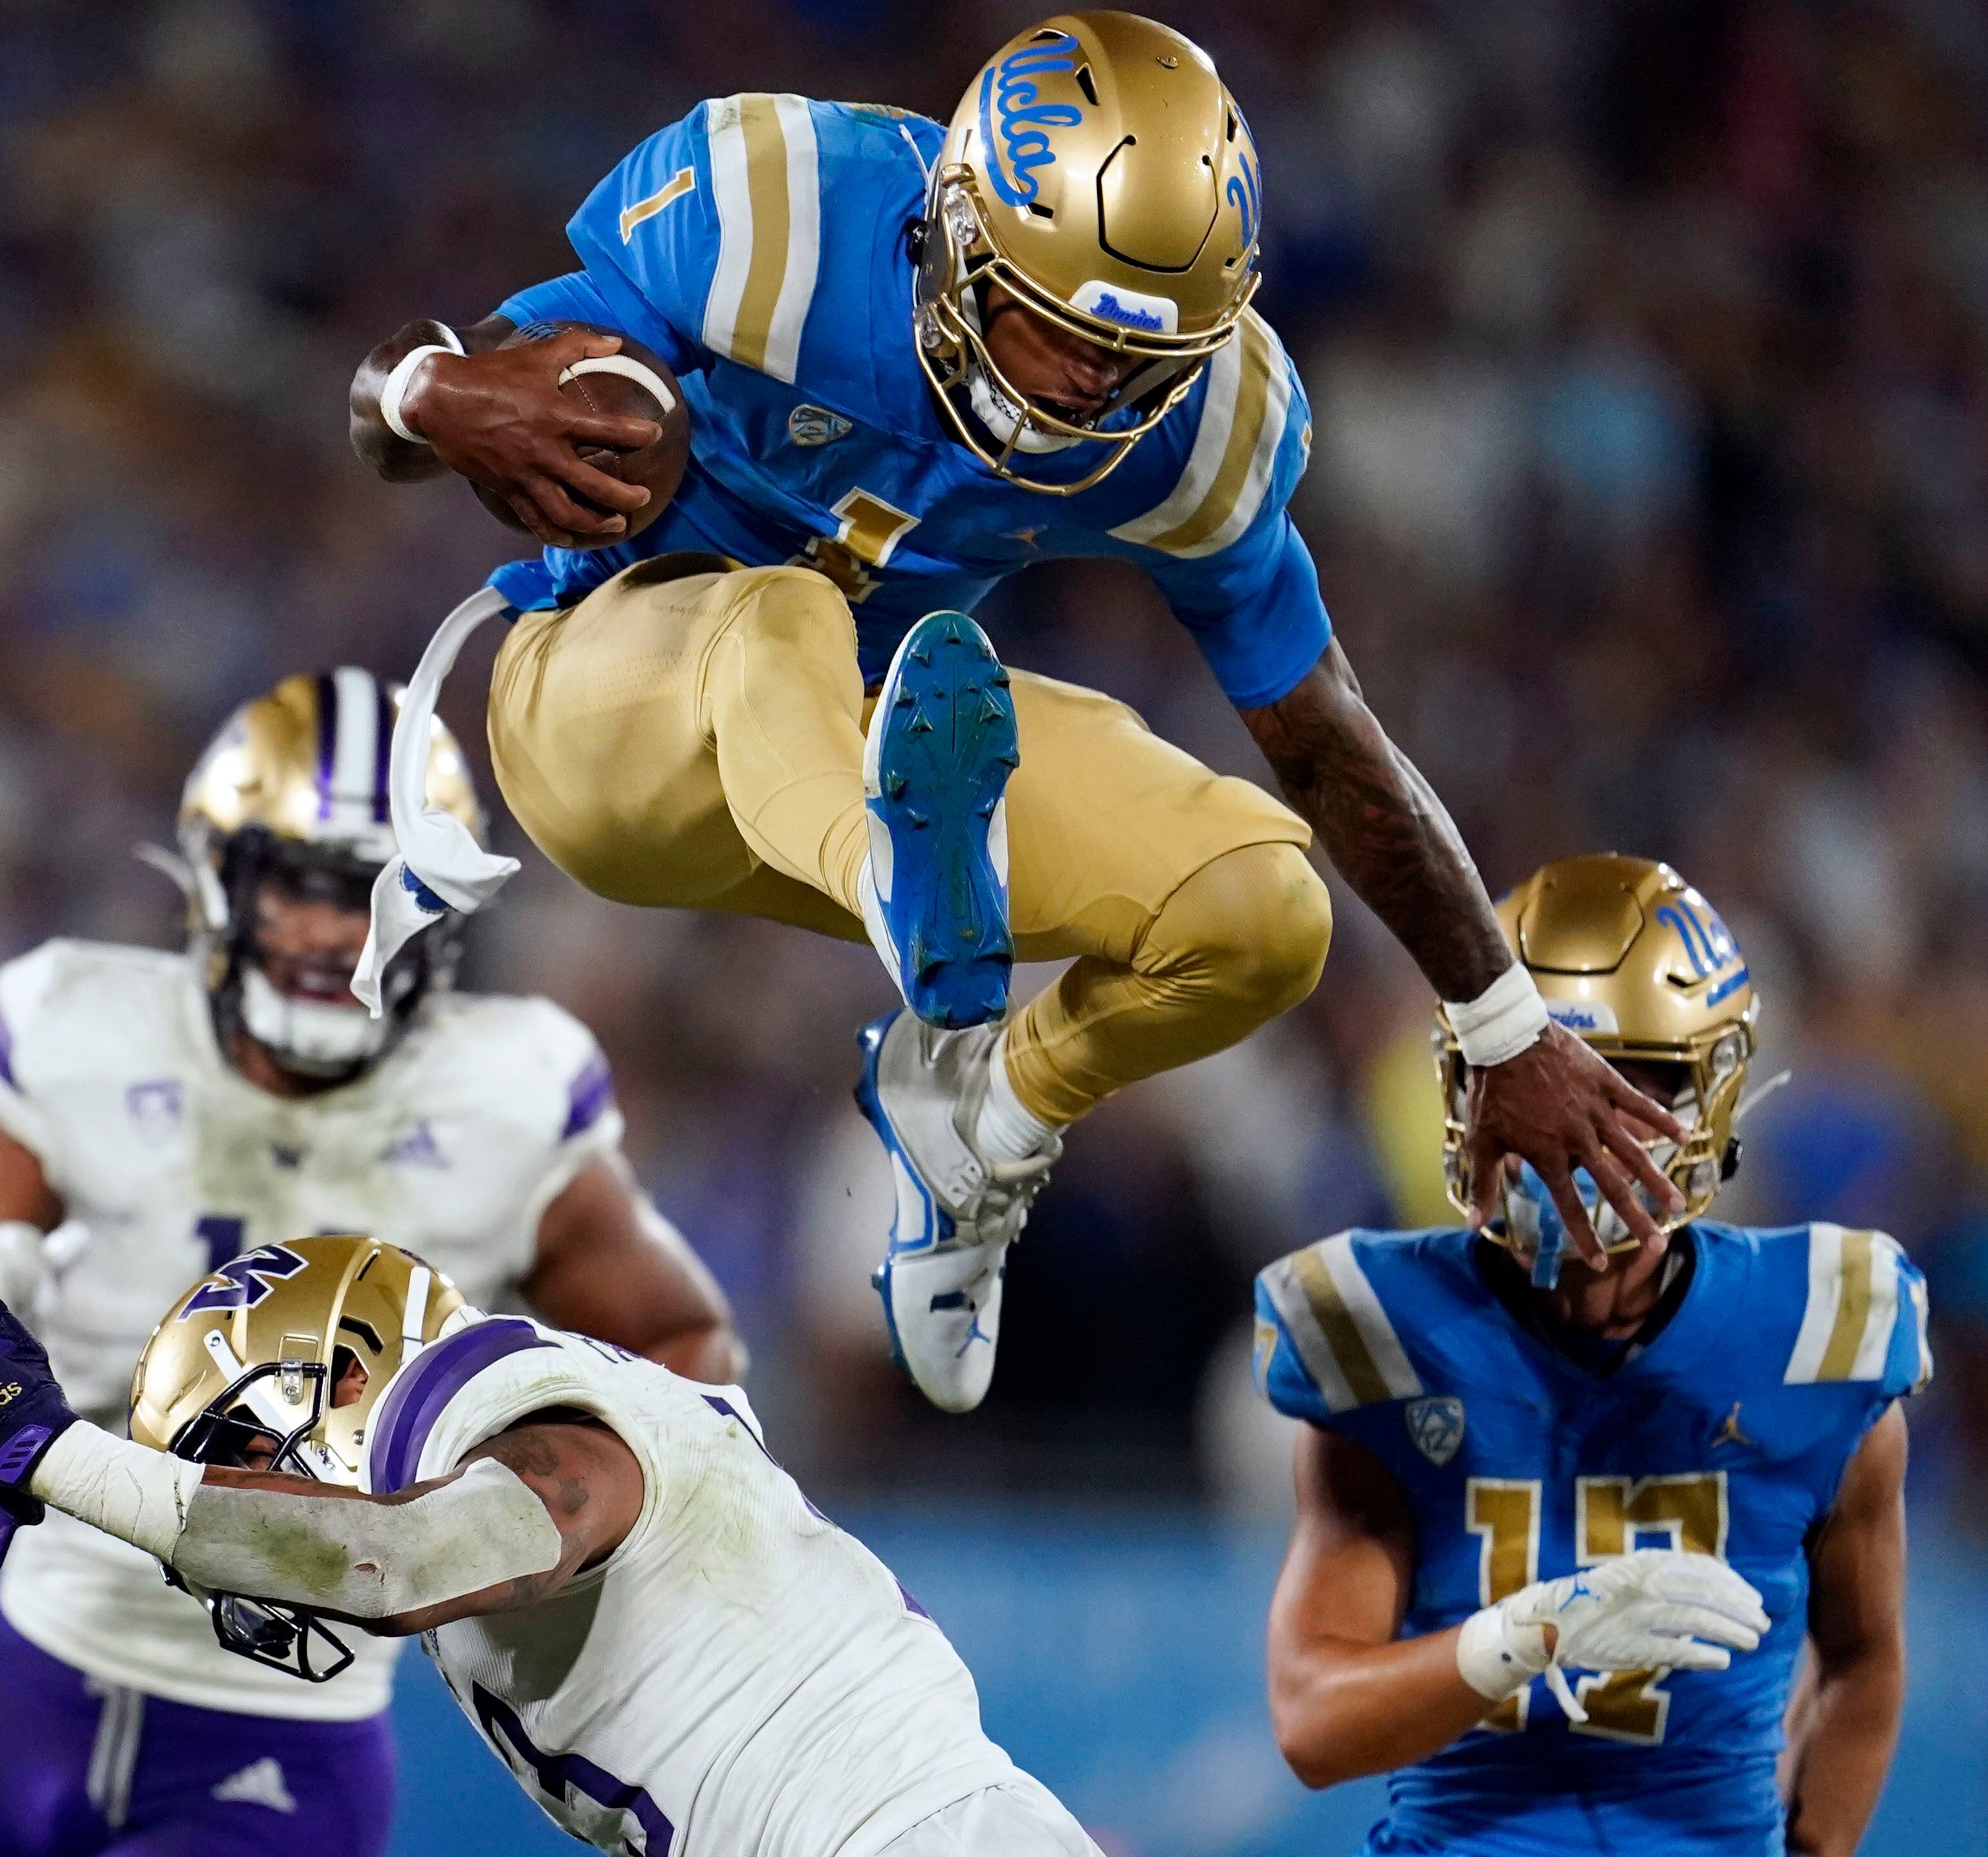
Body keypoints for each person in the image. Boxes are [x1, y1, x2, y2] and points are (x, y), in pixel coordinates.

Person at [341, 10, 1679, 1415]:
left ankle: (979, 1119)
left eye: (1131, 352)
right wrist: (434, 393)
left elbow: (1323, 735)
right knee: (779, 613)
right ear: (954, 233)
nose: (1088, 381)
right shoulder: (780, 214)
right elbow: (417, 384)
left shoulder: (1198, 426)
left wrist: (1504, 1024)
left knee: (1261, 912)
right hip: (612, 719)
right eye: (1051, 324)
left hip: (877, 733)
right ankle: (910, 896)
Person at [0, 669, 743, 1857]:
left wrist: (513, 1505)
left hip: (287, 1718)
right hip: (32, 1664)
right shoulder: (85, 1027)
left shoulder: (506, 1091)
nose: (336, 932)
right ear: (217, 878)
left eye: (380, 894)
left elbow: (679, 1349)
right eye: (302, 886)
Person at [0, 1235, 1106, 1857]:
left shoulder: (463, 1389)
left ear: (336, 1370)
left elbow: (397, 1556)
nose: (226, 1514)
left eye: (230, 1454)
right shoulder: (512, 1423)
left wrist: (56, 1457)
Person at [1257, 854, 1920, 1857]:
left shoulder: (1818, 1336)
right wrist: (1527, 1636)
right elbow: (1311, 1719)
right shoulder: (1389, 1333)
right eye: (1522, 1087)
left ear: (1706, 1103)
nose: (1560, 1131)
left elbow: (1862, 1662)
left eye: (1617, 1089)